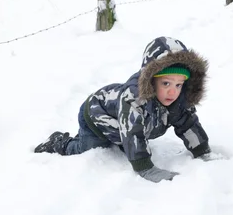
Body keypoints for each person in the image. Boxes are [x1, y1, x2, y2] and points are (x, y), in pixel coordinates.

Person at [34, 36, 213, 183]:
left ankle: (117, 140)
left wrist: (202, 151)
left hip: (119, 122)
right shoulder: (133, 100)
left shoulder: (177, 100)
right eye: (166, 83)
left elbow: (188, 124)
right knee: (88, 147)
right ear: (151, 80)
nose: (173, 91)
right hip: (96, 115)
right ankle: (59, 143)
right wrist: (145, 167)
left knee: (125, 136)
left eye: (179, 84)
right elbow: (133, 132)